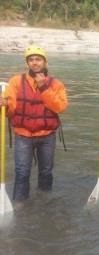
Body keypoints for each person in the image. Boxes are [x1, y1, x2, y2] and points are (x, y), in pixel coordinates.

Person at [0, 46, 68, 204]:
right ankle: (20, 204)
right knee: (22, 172)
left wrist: (44, 86)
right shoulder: (15, 81)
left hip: (47, 136)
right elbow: (10, 112)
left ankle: (44, 200)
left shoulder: (56, 84)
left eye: (38, 59)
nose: (35, 63)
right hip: (23, 135)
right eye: (31, 59)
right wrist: (3, 105)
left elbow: (60, 107)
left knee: (46, 172)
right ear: (27, 63)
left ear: (45, 62)